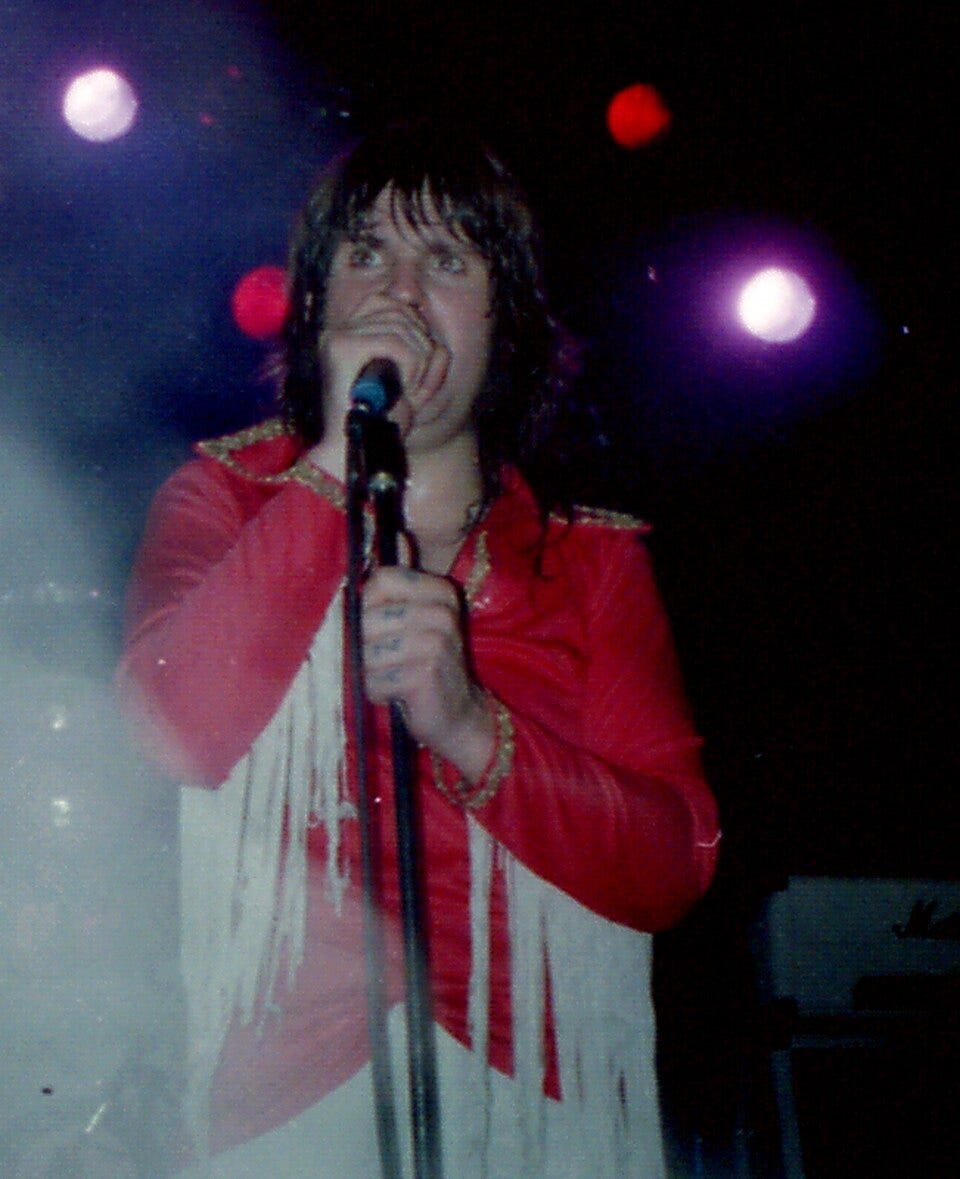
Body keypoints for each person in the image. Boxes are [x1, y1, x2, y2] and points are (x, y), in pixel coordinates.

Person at [117, 122, 720, 1178]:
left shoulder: (589, 562)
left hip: (529, 1106)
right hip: (286, 1103)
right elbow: (173, 729)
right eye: (364, 255)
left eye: (445, 260)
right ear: (317, 310)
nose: (396, 291)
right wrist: (330, 473)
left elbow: (676, 861)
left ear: (508, 321)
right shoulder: (225, 497)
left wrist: (476, 733)